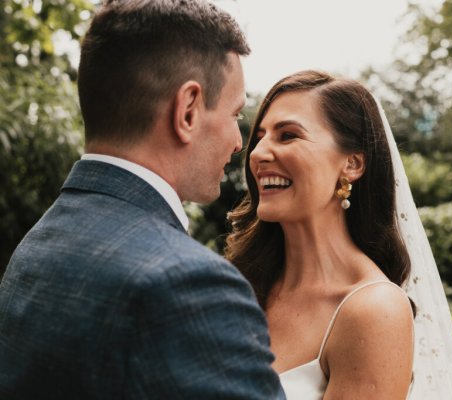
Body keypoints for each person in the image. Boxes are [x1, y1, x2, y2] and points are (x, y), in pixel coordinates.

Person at [0, 1, 284, 399]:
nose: (240, 143)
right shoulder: (188, 285)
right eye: (235, 114)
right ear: (187, 111)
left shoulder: (36, 246)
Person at [225, 70, 452, 399]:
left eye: (287, 135)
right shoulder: (237, 282)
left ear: (353, 164)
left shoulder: (373, 311)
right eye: (260, 136)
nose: (258, 153)